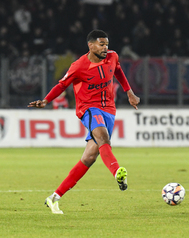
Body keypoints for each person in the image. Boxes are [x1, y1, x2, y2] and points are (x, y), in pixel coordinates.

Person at [28, 30, 140, 214]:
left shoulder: (112, 57)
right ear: (91, 45)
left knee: (89, 157)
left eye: (107, 44)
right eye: (102, 44)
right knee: (103, 138)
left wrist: (129, 91)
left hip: (109, 110)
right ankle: (117, 172)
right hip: (88, 108)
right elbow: (62, 85)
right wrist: (46, 101)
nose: (106, 48)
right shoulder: (79, 66)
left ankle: (54, 198)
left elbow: (118, 70)